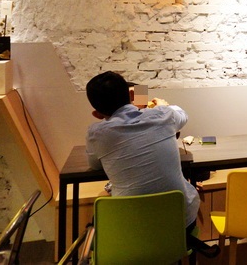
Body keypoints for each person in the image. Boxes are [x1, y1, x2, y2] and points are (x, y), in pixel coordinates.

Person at [84, 71, 203, 251]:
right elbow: (182, 114)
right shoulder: (163, 115)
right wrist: (164, 106)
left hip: (132, 232)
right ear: (131, 96)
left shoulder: (97, 134)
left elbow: (94, 165)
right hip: (180, 226)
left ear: (97, 114)